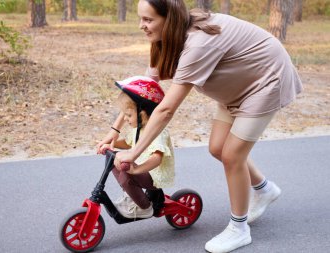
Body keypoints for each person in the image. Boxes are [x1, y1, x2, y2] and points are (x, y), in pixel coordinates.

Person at [97, 0, 303, 252]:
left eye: (148, 20)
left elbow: (165, 109)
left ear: (169, 19)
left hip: (265, 80)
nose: (142, 25)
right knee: (217, 147)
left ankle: (239, 229)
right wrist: (114, 132)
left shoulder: (198, 44)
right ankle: (265, 189)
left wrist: (134, 152)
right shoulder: (166, 38)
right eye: (141, 18)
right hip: (238, 86)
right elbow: (141, 92)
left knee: (231, 155)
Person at [97, 76, 175, 219]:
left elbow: (157, 159)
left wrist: (136, 170)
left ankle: (144, 208)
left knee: (127, 174)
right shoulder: (139, 128)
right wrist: (111, 145)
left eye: (128, 115)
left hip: (155, 175)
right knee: (114, 161)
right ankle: (132, 194)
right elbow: (128, 143)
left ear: (143, 114)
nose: (125, 119)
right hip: (144, 169)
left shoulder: (158, 132)